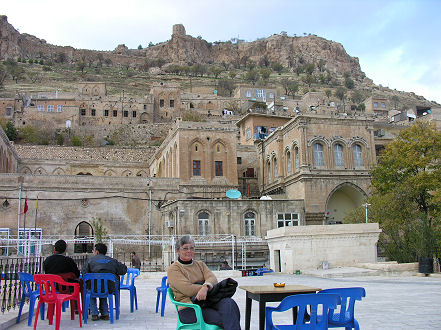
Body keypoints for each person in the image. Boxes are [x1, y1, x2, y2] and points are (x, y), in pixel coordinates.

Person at [167, 235, 241, 330]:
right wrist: (204, 288)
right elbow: (187, 289)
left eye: (192, 248)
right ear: (178, 251)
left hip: (207, 301)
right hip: (190, 308)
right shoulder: (174, 269)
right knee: (227, 319)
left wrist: (205, 287)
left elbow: (212, 279)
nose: (189, 251)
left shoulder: (200, 264)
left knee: (229, 304)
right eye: (185, 248)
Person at [82, 243, 127, 321]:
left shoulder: (90, 261)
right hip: (109, 288)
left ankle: (94, 313)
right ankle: (105, 313)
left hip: (93, 288)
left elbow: (84, 273)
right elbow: (123, 270)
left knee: (92, 289)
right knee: (104, 287)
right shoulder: (112, 261)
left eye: (94, 251)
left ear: (97, 252)